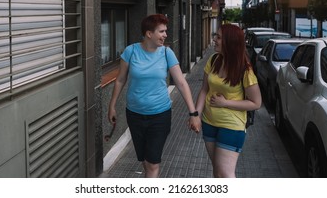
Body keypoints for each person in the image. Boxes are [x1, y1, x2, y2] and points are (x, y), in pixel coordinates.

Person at [108, 14, 201, 178]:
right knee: (145, 161)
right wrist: (112, 105)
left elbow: (181, 83)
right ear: (149, 34)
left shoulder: (167, 53)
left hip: (160, 116)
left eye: (166, 31)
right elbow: (120, 79)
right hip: (135, 115)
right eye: (162, 31)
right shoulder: (131, 51)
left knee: (152, 164)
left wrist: (193, 113)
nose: (165, 35)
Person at [195, 24, 262, 178]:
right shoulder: (213, 60)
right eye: (215, 36)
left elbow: (256, 103)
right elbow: (204, 89)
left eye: (218, 37)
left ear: (229, 42)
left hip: (232, 126)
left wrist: (225, 103)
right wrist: (196, 115)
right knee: (217, 172)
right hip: (209, 122)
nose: (214, 40)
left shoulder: (245, 69)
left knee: (225, 174)